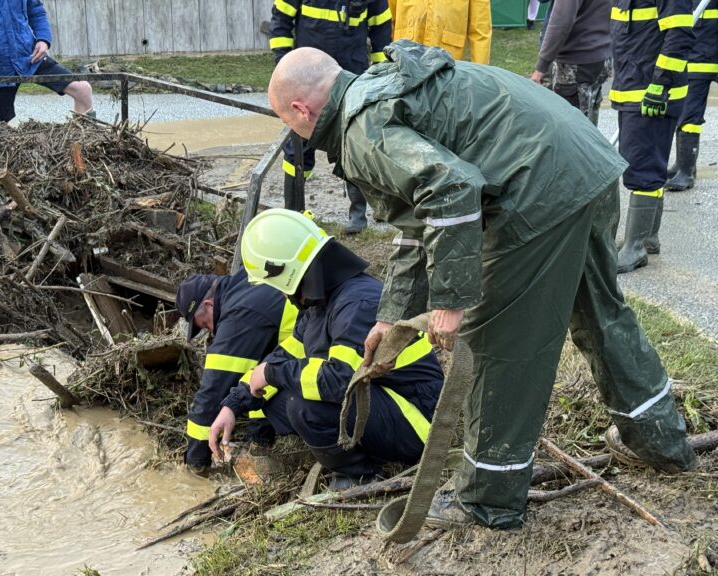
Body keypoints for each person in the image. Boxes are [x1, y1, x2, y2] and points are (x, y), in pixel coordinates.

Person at [266, 40, 696, 528]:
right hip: (584, 167)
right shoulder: (381, 87)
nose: (293, 130)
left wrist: (451, 299)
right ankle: (661, 442)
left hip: (537, 192)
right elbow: (418, 225)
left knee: (499, 348)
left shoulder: (363, 128)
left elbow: (451, 189)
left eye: (287, 121)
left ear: (301, 110)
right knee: (601, 315)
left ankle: (487, 498)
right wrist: (392, 316)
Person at [209, 210, 444, 488]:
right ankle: (342, 449)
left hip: (419, 422)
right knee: (277, 397)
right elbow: (286, 356)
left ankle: (358, 474)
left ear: (287, 274)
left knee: (305, 405)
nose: (282, 295)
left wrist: (272, 373)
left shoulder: (357, 303)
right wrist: (233, 404)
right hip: (384, 402)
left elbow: (342, 381)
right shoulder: (321, 304)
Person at [269, 0, 392, 233]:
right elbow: (280, 23)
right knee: (297, 151)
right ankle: (293, 215)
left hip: (351, 79)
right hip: (306, 83)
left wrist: (380, 77)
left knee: (354, 148)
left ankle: (358, 216)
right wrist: (284, 66)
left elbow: (381, 32)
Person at [175, 270, 299, 471]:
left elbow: (212, 393)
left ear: (208, 305)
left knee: (266, 388)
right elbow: (262, 365)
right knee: (255, 374)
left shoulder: (240, 315)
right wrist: (256, 439)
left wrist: (195, 466)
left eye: (206, 324)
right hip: (308, 346)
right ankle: (260, 440)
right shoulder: (244, 281)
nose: (212, 331)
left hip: (319, 364)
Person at [610, 0, 694, 272]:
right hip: (632, 86)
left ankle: (634, 248)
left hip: (651, 92)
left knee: (643, 167)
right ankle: (646, 238)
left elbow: (680, 34)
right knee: (645, 163)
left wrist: (660, 83)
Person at [0, 0, 94, 124]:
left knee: (82, 90)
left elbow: (37, 13)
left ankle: (85, 150)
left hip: (29, 57)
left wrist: (43, 39)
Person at [529, 0, 613, 126]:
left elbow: (561, 21)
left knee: (571, 128)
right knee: (588, 124)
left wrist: (541, 67)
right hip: (601, 54)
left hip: (576, 61)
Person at [665, 0, 718, 191]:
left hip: (706, 46)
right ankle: (684, 166)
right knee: (687, 110)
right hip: (698, 48)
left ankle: (685, 170)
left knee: (690, 111)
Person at [389, 0, 492, 64]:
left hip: (448, 63)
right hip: (404, 58)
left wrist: (480, 73)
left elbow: (480, 30)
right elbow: (387, 22)